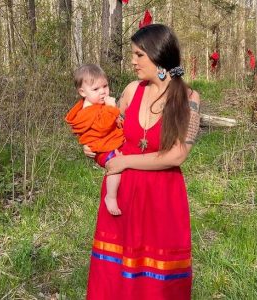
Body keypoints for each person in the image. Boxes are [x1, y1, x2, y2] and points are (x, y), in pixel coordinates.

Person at [84, 24, 201, 299]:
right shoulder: (131, 91)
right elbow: (109, 130)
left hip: (162, 197)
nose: (133, 61)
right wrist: (93, 147)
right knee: (114, 276)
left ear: (158, 55)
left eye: (139, 55)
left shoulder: (188, 98)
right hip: (123, 194)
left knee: (157, 282)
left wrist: (126, 163)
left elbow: (178, 154)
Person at [65, 64, 125, 215]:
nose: (103, 92)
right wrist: (111, 108)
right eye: (96, 89)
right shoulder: (87, 110)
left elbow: (112, 122)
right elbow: (102, 126)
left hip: (107, 144)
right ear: (82, 92)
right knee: (116, 166)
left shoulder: (97, 105)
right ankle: (110, 196)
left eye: (105, 86)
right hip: (103, 150)